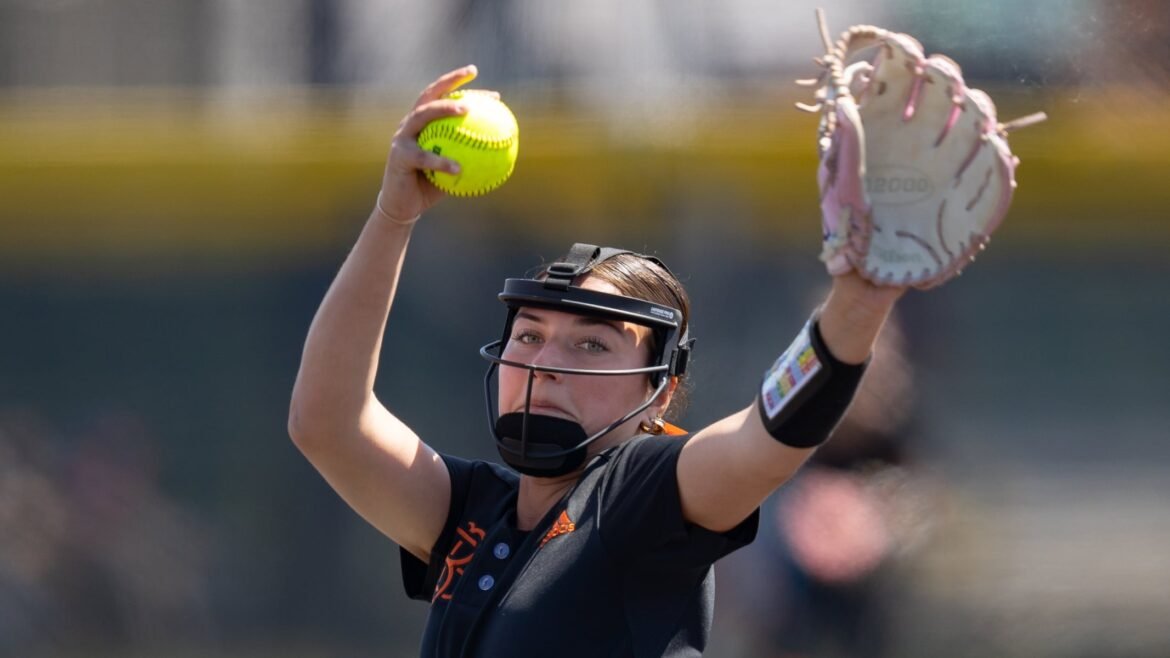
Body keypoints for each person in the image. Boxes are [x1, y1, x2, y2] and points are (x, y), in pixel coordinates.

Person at [288, 65, 906, 657]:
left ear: (658, 394)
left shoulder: (641, 496)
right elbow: (326, 420)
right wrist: (393, 215)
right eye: (529, 335)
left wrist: (856, 305)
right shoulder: (468, 512)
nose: (546, 361)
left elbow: (768, 437)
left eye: (592, 343)